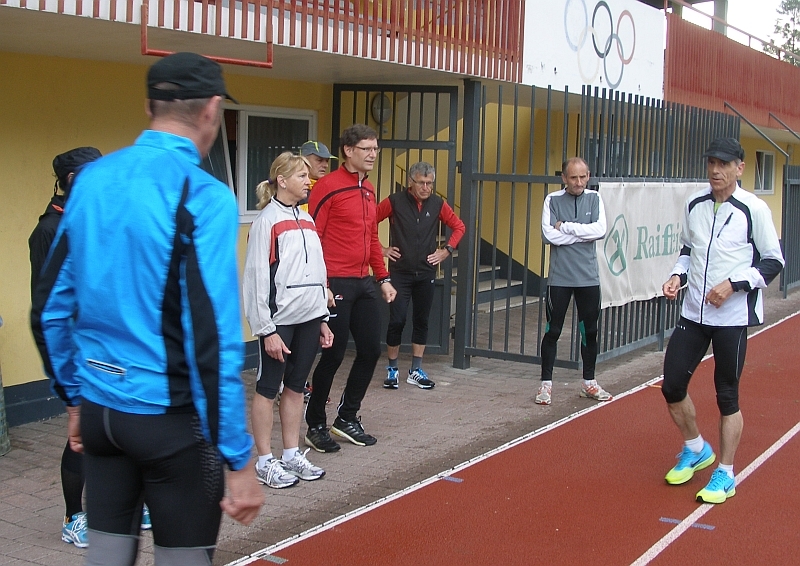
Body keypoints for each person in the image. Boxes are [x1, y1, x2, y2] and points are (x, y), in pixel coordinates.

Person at [30, 52, 263, 565]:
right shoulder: (204, 194)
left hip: (100, 413)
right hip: (171, 423)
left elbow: (48, 308)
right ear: (213, 109)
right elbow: (212, 341)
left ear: (148, 105)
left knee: (107, 558)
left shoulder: (91, 179)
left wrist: (73, 399)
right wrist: (239, 459)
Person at [661, 137, 784, 504]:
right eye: (711, 162)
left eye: (724, 163)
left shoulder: (754, 209)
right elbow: (688, 250)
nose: (716, 170)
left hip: (731, 316)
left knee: (726, 396)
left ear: (739, 168)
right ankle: (696, 448)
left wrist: (733, 285)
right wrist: (677, 277)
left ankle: (725, 473)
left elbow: (773, 261)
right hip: (693, 312)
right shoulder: (695, 204)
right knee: (671, 387)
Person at [243, 152, 334, 489]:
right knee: (268, 390)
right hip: (279, 323)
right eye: (301, 176)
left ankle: (292, 454)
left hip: (310, 318)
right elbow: (254, 280)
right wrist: (266, 330)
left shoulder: (307, 220)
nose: (307, 182)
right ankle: (265, 460)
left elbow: (318, 272)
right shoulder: (266, 221)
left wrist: (323, 318)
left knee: (296, 388)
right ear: (282, 180)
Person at [304, 123, 397, 452]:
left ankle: (347, 418)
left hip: (364, 282)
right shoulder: (327, 187)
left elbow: (372, 236)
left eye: (376, 149)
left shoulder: (368, 190)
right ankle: (315, 423)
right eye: (366, 149)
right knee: (334, 352)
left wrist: (383, 277)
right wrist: (322, 284)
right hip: (334, 282)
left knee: (371, 349)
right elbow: (311, 239)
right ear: (348, 151)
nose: (373, 154)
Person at [29, 146, 103, 548]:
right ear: (74, 180)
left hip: (103, 342)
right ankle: (75, 516)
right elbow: (47, 306)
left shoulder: (89, 219)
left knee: (117, 425)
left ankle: (122, 501)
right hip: (75, 349)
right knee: (83, 432)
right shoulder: (47, 230)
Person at [376, 161, 465, 389]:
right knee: (397, 320)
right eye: (421, 183)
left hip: (425, 272)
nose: (426, 187)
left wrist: (446, 251)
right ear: (410, 182)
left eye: (430, 183)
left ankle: (415, 369)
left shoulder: (437, 204)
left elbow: (459, 227)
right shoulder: (395, 201)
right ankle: (392, 368)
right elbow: (368, 222)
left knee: (421, 321)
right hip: (400, 273)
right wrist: (382, 249)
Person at [535, 157, 612, 406]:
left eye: (583, 177)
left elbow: (600, 231)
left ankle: (589, 382)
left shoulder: (595, 198)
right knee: (553, 331)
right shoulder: (552, 200)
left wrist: (566, 227)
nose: (578, 182)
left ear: (588, 176)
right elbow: (549, 235)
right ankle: (545, 385)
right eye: (573, 177)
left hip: (588, 277)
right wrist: (582, 233)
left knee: (590, 331)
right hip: (560, 278)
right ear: (564, 178)